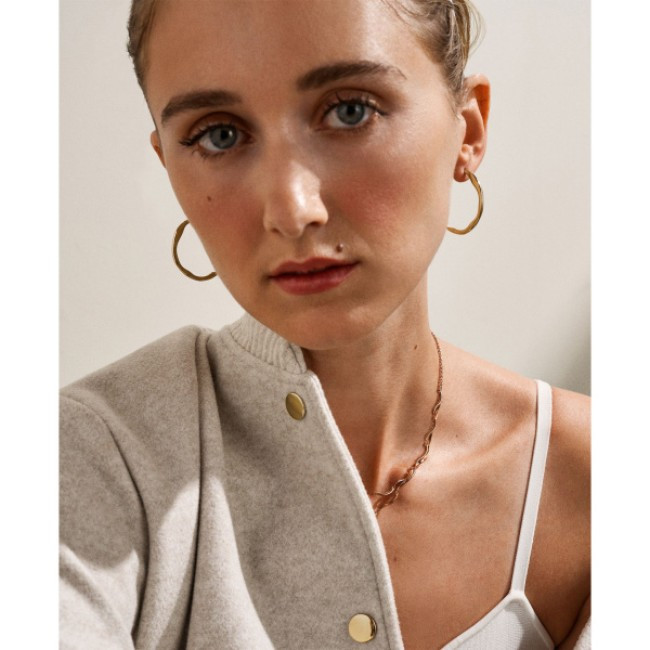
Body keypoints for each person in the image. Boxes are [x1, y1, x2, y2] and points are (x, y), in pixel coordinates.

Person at [60, 0, 590, 648]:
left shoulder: (597, 474)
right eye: (218, 135)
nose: (292, 209)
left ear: (469, 129)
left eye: (350, 111)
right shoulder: (89, 458)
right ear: (169, 163)